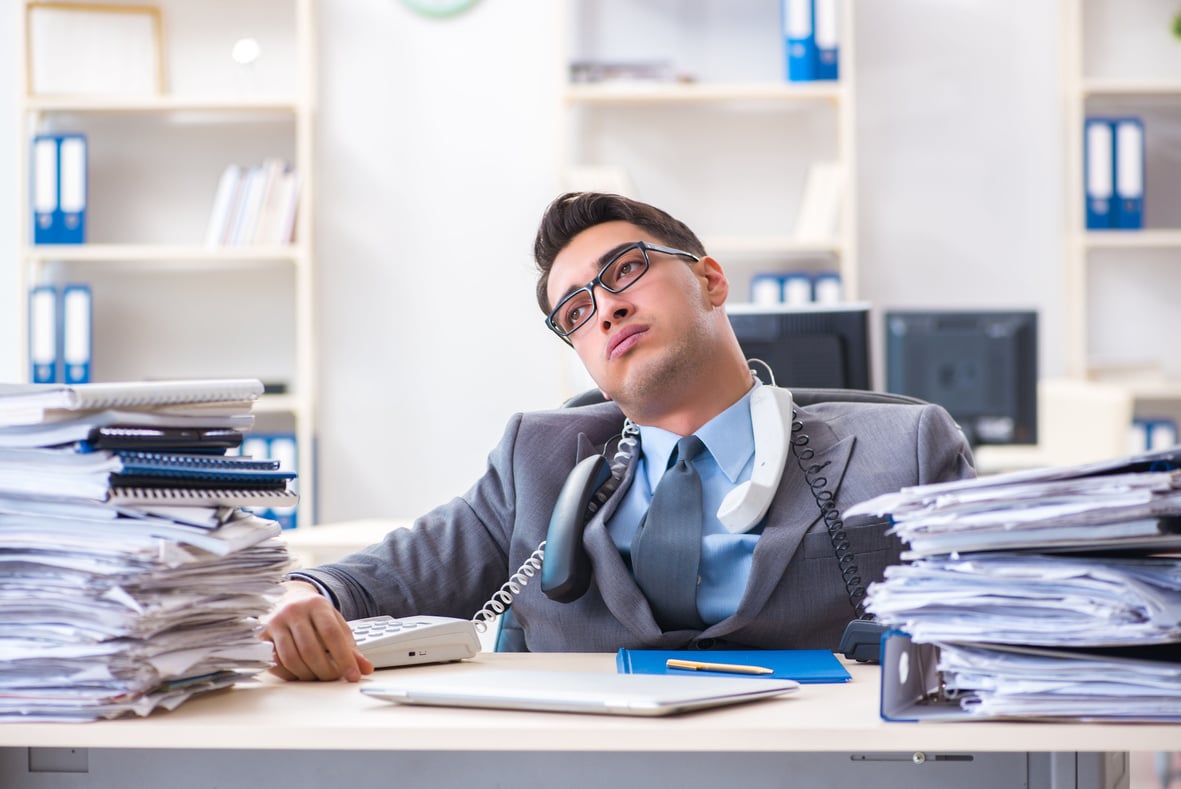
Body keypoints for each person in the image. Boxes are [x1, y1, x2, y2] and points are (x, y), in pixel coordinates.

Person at [263, 192, 975, 681]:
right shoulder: (539, 460)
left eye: (625, 270)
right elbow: (377, 579)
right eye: (575, 309)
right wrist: (300, 596)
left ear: (711, 281)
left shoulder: (903, 447)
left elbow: (1017, 621)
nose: (606, 308)